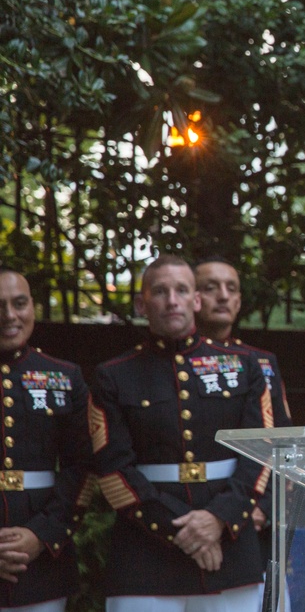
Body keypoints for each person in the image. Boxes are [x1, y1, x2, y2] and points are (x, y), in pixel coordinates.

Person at [89, 255, 273, 611]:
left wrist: (218, 519)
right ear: (142, 304)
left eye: (181, 290)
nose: (172, 300)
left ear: (196, 301)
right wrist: (187, 532)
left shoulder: (244, 366)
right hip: (145, 553)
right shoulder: (114, 375)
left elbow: (260, 451)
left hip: (232, 547)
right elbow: (113, 469)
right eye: (160, 291)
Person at [193, 257, 293, 583]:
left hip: (253, 520)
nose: (222, 296)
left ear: (238, 301)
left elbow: (282, 441)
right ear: (192, 297)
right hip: (193, 512)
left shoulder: (261, 362)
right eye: (211, 288)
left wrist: (265, 505)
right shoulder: (172, 362)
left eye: (230, 289)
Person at [0, 268, 92, 611]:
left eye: (19, 303)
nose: (9, 315)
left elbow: (82, 467)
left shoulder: (65, 377)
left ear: (33, 308)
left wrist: (41, 534)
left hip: (41, 557)